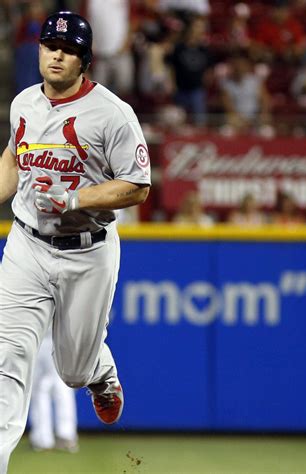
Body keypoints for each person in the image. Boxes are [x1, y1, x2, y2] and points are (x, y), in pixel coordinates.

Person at [0, 11, 151, 474]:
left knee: (72, 371)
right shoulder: (24, 103)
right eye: (50, 45)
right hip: (27, 244)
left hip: (88, 249)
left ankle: (101, 373)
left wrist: (75, 198)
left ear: (84, 60)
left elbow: (138, 186)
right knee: (7, 359)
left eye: (68, 50)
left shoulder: (112, 113)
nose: (57, 55)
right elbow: (13, 158)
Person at [28, 327, 79, 453]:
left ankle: (43, 439)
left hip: (40, 337)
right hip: (58, 338)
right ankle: (65, 435)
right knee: (62, 386)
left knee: (41, 389)